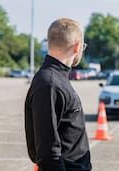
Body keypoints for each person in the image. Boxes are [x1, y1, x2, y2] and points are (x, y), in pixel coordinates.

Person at [25, 18, 92, 171]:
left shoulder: (56, 79)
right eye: (83, 47)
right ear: (77, 47)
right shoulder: (49, 84)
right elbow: (48, 153)